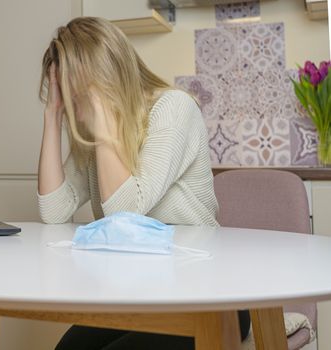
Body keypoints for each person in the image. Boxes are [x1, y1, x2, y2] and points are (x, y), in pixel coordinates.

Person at [37, 16, 250, 350]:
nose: (76, 116)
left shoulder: (174, 108)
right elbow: (54, 210)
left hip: (210, 297)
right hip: (138, 293)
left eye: (79, 99)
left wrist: (101, 113)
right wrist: (52, 115)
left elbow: (126, 210)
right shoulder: (95, 138)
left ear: (104, 81)